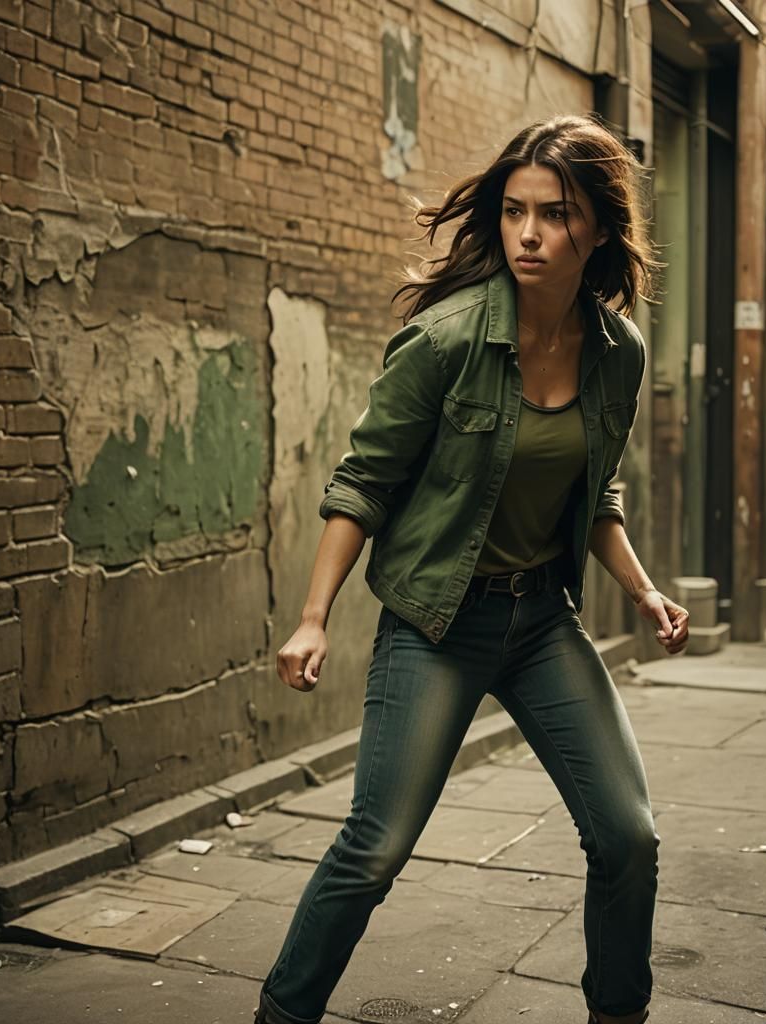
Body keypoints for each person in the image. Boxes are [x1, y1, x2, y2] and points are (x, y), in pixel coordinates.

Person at [256, 113, 689, 1024]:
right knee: (374, 848)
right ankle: (282, 1015)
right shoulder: (446, 341)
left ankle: (620, 1013)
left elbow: (595, 491)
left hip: (541, 623)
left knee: (629, 838)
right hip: (436, 624)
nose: (528, 233)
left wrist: (644, 591)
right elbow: (362, 483)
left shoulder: (619, 354)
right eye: (514, 211)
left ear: (599, 230)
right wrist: (312, 614)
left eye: (556, 215)